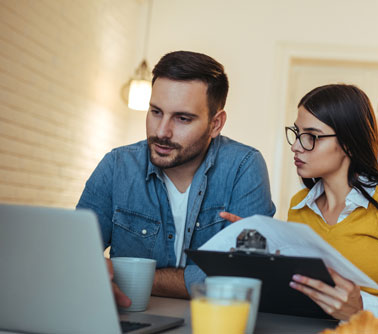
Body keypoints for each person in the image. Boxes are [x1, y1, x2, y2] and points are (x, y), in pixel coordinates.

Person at [221, 84, 378, 334]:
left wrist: (360, 309)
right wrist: (263, 259)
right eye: (297, 132)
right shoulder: (299, 206)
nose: (296, 146)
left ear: (349, 142)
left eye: (311, 136)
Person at [77, 51, 275, 306]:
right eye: (156, 112)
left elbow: (244, 275)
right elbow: (77, 257)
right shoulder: (117, 166)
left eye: (182, 118)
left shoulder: (243, 167)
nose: (161, 132)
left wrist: (127, 276)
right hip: (132, 319)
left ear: (216, 124)